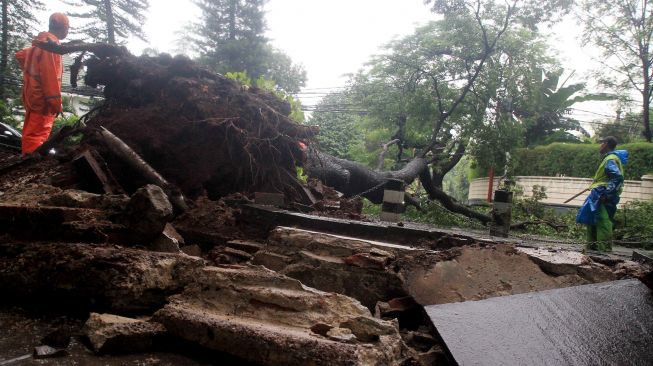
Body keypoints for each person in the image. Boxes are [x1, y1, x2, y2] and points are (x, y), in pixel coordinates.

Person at [15, 13, 69, 155]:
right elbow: (50, 76)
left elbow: (20, 55)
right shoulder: (51, 46)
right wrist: (56, 103)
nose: (67, 32)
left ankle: (29, 160)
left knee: (32, 132)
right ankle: (30, 164)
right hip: (43, 101)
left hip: (32, 96)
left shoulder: (38, 44)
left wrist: (32, 80)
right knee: (36, 136)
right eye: (67, 28)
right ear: (63, 28)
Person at [576, 136, 629, 251]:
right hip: (600, 193)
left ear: (606, 144)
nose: (600, 146)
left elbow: (617, 177)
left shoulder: (610, 159)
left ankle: (603, 252)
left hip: (602, 194)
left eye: (601, 143)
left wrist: (606, 194)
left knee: (602, 221)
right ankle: (591, 250)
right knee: (592, 220)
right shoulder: (611, 158)